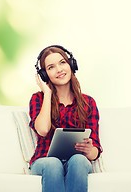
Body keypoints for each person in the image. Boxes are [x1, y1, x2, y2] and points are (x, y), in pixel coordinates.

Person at [29, 45, 102, 192]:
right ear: (44, 75)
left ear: (71, 65)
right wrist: (48, 94)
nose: (59, 69)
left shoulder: (88, 103)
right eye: (51, 67)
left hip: (77, 162)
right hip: (44, 161)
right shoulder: (38, 98)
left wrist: (88, 150)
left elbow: (95, 153)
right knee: (53, 164)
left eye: (62, 62)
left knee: (79, 160)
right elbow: (43, 130)